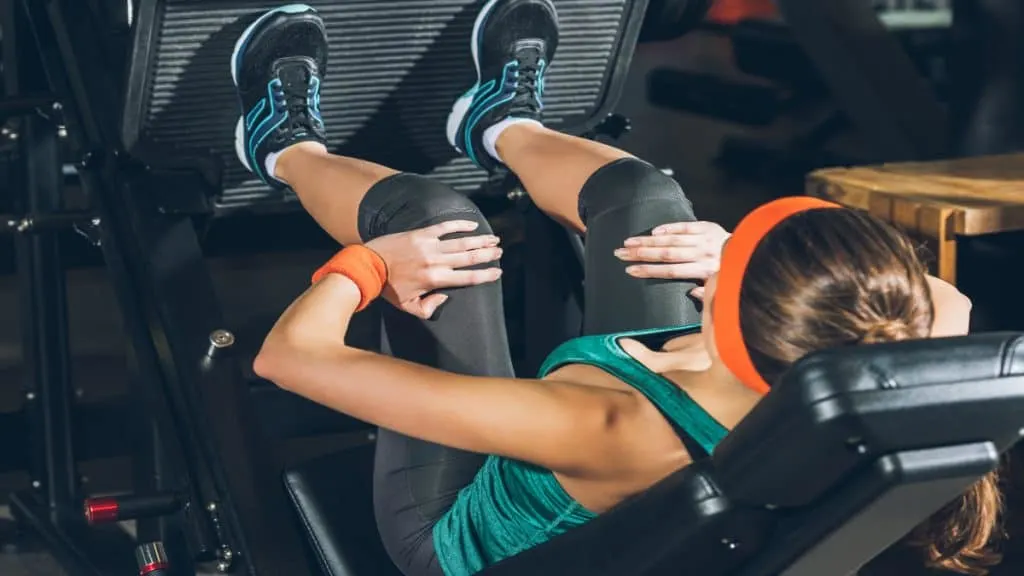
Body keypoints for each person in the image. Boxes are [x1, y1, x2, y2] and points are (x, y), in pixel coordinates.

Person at [232, 2, 1001, 575]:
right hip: (683, 399)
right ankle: (499, 126)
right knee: (645, 202)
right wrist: (734, 255)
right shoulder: (860, 361)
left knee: (436, 225)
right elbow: (950, 305)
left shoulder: (607, 423)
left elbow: (292, 359)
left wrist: (370, 265)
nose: (722, 244)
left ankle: (280, 146)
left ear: (733, 313)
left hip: (447, 531)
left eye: (733, 259)